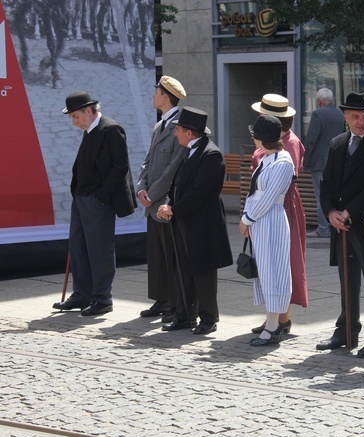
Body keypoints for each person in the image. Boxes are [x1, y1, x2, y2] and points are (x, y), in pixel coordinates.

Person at [52, 91, 136, 316]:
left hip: (98, 200)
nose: (73, 121)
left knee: (99, 250)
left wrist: (101, 196)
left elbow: (121, 167)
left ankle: (102, 298)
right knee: (78, 247)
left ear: (89, 111)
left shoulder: (111, 129)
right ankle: (82, 294)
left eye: (75, 116)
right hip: (81, 198)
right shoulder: (89, 130)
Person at [316, 92, 364, 357]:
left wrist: (349, 212)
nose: (361, 122)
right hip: (340, 225)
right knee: (347, 280)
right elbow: (326, 182)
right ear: (345, 117)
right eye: (355, 117)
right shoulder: (337, 143)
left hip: (362, 224)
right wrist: (331, 211)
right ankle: (346, 331)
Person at [157, 107, 233, 335]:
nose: (175, 134)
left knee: (203, 271)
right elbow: (178, 183)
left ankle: (208, 318)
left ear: (190, 133)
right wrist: (169, 202)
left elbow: (199, 192)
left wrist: (174, 209)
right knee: (183, 268)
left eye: (178, 129)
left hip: (202, 224)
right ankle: (184, 314)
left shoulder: (210, 154)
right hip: (184, 220)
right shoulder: (190, 150)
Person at [249, 94, 308, 334]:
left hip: (282, 206)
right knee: (269, 263)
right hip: (268, 204)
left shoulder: (289, 143)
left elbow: (281, 180)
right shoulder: (275, 141)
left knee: (283, 262)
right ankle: (276, 317)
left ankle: (281, 318)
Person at [239, 115, 295, 346]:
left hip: (270, 221)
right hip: (261, 222)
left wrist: (248, 218)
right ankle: (271, 322)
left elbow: (269, 197)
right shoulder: (268, 158)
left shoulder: (282, 162)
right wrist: (247, 218)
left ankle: (274, 326)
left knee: (273, 270)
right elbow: (256, 193)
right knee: (265, 270)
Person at [136, 75, 188, 323]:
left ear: (165, 95)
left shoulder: (179, 124)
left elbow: (174, 168)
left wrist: (153, 194)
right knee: (156, 255)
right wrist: (141, 188)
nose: (153, 95)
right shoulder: (160, 126)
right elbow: (148, 161)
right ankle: (161, 298)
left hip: (164, 202)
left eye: (156, 91)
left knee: (170, 255)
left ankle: (174, 301)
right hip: (151, 202)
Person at [303, 87, 345, 238]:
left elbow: (311, 139)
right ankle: (335, 225)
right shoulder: (340, 114)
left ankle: (323, 228)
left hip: (319, 163)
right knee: (334, 194)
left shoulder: (317, 114)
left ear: (319, 101)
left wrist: (305, 160)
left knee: (320, 195)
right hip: (336, 161)